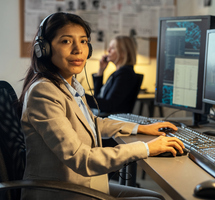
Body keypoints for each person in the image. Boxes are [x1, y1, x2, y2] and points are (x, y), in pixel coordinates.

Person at [18, 12, 185, 200]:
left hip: (84, 184)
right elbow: (82, 159)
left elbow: (93, 123)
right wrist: (146, 148)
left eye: (83, 41)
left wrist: (140, 128)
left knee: (156, 197)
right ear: (44, 49)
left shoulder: (68, 86)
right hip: (63, 192)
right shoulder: (44, 92)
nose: (78, 50)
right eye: (66, 41)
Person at [85, 35, 139, 114]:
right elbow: (98, 97)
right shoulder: (118, 73)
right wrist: (101, 71)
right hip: (104, 115)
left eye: (113, 48)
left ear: (124, 53)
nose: (108, 50)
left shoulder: (125, 74)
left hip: (111, 119)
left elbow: (109, 105)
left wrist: (81, 95)